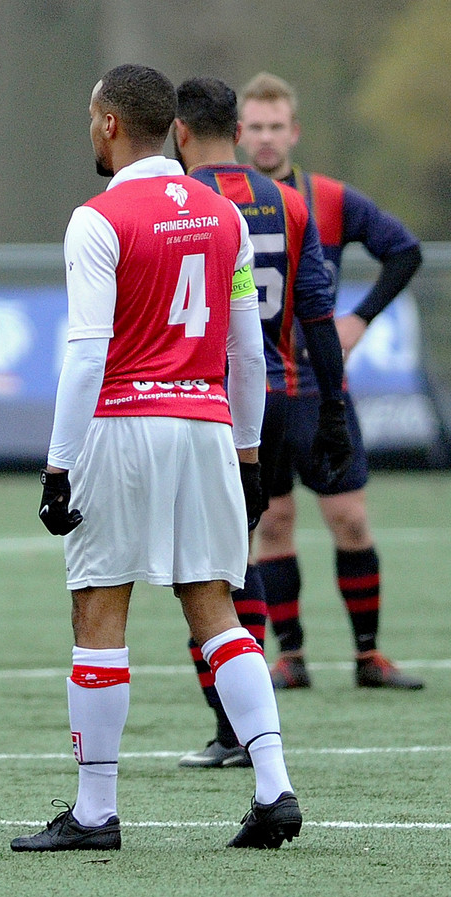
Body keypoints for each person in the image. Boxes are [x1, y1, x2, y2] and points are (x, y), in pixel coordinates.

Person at [12, 65, 300, 852]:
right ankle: (274, 785)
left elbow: (86, 352)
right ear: (174, 127)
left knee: (99, 612)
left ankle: (96, 811)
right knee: (215, 610)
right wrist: (247, 457)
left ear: (108, 124)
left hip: (123, 424)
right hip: (207, 424)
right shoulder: (225, 217)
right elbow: (249, 350)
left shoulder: (97, 219)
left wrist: (58, 465)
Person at [170, 76, 353, 768]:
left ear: (180, 132)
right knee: (239, 553)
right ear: (239, 131)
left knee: (205, 570)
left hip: (200, 398)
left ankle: (234, 729)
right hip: (277, 397)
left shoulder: (182, 202)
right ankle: (247, 726)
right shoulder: (287, 200)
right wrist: (332, 404)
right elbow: (317, 313)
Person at [238, 71, 425, 691]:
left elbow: (404, 249)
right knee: (274, 523)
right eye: (254, 127)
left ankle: (369, 656)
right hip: (256, 393)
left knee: (349, 518)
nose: (265, 138)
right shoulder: (223, 199)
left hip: (320, 390)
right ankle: (291, 657)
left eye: (275, 126)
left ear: (294, 130)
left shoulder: (330, 199)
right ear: (238, 133)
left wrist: (361, 318)